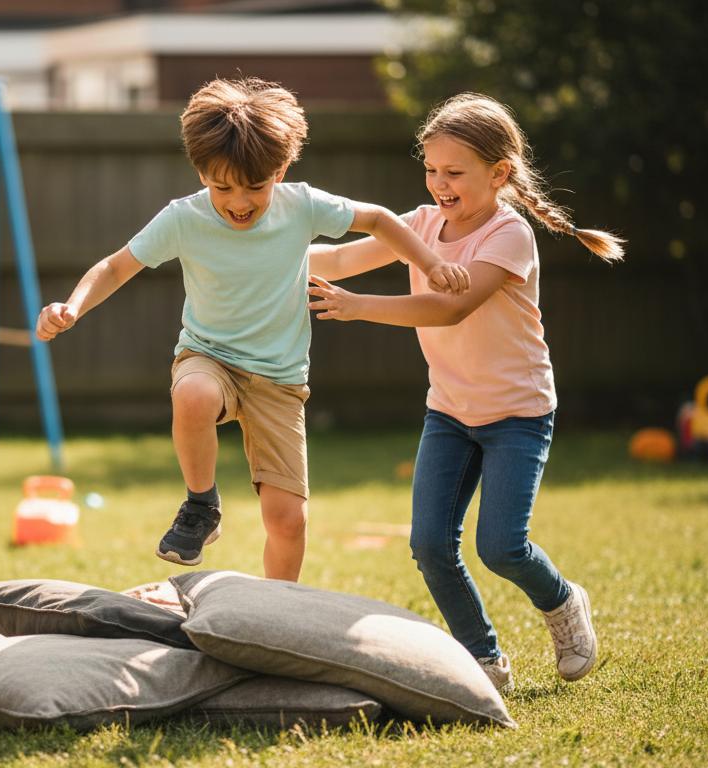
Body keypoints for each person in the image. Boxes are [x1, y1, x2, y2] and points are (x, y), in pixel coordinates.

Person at [36, 77, 468, 581]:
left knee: (288, 521)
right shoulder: (183, 219)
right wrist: (73, 306)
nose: (239, 201)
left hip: (279, 379)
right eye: (222, 187)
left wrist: (432, 264)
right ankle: (201, 506)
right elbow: (115, 267)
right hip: (209, 356)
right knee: (193, 394)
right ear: (201, 173)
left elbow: (378, 220)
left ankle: (277, 611)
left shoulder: (301, 205)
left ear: (279, 172)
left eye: (255, 187)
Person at [306, 93, 622, 690]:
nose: (438, 184)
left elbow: (450, 307)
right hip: (450, 412)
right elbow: (342, 258)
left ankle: (562, 602)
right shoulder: (422, 224)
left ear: (499, 173)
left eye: (453, 172)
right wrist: (264, 255)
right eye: (431, 169)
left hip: (517, 414)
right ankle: (484, 659)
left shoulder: (510, 235)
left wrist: (357, 307)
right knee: (430, 545)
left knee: (501, 547)